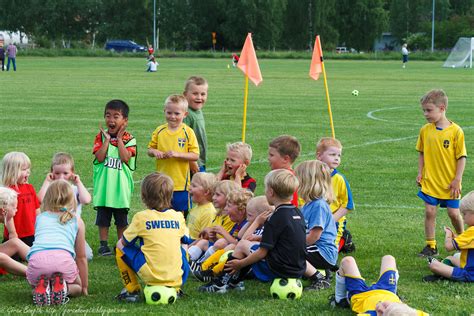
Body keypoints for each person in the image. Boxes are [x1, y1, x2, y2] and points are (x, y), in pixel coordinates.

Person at [199, 169, 306, 293]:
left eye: (265, 189)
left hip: (278, 268)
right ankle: (234, 283)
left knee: (242, 245)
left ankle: (221, 283)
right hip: (298, 268)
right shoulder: (297, 211)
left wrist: (241, 264)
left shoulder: (276, 217)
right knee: (249, 244)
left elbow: (261, 253)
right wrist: (260, 238)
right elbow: (289, 239)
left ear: (271, 192)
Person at [115, 173, 189, 302]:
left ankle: (132, 290)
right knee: (184, 245)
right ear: (170, 196)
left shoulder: (141, 217)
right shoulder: (178, 216)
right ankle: (176, 287)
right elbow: (186, 240)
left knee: (119, 246)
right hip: (179, 276)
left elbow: (125, 242)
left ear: (143, 196)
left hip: (151, 275)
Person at [416, 89, 467, 257]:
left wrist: (457, 179)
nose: (425, 114)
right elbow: (421, 152)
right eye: (424, 110)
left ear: (442, 108)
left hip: (449, 183)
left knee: (454, 214)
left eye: (429, 110)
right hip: (431, 180)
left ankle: (462, 239)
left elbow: (461, 157)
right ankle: (431, 246)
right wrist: (420, 172)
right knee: (430, 212)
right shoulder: (425, 130)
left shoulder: (456, 131)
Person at [26, 180, 88, 306]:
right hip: (62, 261)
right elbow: (81, 257)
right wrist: (84, 288)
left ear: (48, 198)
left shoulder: (40, 218)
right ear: (72, 199)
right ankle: (64, 288)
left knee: (34, 286)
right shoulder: (77, 220)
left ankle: (42, 289)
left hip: (37, 262)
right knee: (77, 286)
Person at [93, 99, 137, 256]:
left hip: (120, 189)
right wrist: (106, 140)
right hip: (105, 187)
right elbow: (99, 158)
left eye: (116, 116)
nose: (111, 120)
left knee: (121, 220)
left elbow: (125, 158)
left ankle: (121, 244)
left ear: (124, 120)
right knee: (103, 218)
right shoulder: (100, 137)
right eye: (108, 115)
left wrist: (118, 140)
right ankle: (103, 244)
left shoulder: (130, 139)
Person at [196, 195, 273, 280]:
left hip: (255, 263)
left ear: (262, 216)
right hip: (249, 258)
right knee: (231, 247)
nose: (247, 218)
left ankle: (215, 272)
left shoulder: (266, 227)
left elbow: (243, 240)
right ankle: (205, 267)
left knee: (234, 246)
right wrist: (251, 221)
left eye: (250, 215)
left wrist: (256, 221)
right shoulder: (255, 225)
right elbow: (240, 235)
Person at [147, 94, 199, 216]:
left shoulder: (188, 132)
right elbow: (150, 150)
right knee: (161, 213)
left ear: (185, 114)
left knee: (179, 215)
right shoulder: (159, 130)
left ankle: (179, 235)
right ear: (164, 111)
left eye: (177, 114)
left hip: (180, 184)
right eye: (169, 113)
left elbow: (195, 155)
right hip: (161, 183)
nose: (172, 117)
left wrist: (177, 154)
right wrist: (155, 152)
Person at [38, 152, 93, 260]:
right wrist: (47, 181)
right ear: (51, 173)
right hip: (53, 231)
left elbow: (86, 200)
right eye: (57, 173)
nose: (61, 177)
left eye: (65, 173)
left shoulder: (75, 190)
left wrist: (78, 182)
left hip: (72, 232)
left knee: (87, 255)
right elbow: (39, 200)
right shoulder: (50, 189)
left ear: (72, 173)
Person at [330, 255, 428, 315]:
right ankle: (395, 292)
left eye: (380, 314)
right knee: (389, 258)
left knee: (347, 261)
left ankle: (340, 299)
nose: (380, 308)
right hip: (387, 291)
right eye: (386, 307)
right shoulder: (409, 312)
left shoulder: (369, 314)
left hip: (361, 295)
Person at [295, 160, 338, 290]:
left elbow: (314, 236)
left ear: (307, 182)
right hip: (315, 249)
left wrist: (293, 245)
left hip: (323, 252)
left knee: (289, 252)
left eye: (297, 179)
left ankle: (319, 279)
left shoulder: (318, 205)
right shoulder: (307, 205)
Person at [423, 190, 474, 282]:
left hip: (470, 274)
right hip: (469, 265)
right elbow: (468, 245)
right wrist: (456, 238)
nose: (463, 218)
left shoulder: (472, 231)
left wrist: (449, 235)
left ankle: (442, 274)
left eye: (465, 214)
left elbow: (448, 247)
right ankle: (444, 270)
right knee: (453, 257)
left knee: (434, 265)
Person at [186, 180, 240, 265]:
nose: (213, 197)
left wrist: (221, 232)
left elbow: (229, 243)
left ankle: (203, 265)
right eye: (214, 194)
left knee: (220, 242)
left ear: (228, 197)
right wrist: (208, 233)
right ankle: (185, 259)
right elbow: (210, 239)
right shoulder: (217, 214)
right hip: (215, 247)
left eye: (217, 195)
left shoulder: (232, 218)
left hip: (226, 252)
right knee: (203, 241)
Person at [317, 137, 355, 253]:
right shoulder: (311, 176)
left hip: (334, 222)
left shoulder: (339, 179)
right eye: (332, 154)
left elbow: (348, 205)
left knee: (328, 252)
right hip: (314, 220)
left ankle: (343, 240)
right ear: (319, 156)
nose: (336, 158)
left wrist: (331, 220)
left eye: (339, 155)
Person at [1, 152, 40, 247]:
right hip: (14, 235)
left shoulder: (30, 188)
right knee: (12, 255)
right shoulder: (8, 192)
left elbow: (37, 209)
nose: (28, 172)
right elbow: (7, 216)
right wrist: (12, 233)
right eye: (24, 169)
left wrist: (40, 226)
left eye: (28, 168)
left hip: (31, 233)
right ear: (12, 171)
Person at [0, 187, 29, 276]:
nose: (16, 210)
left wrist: (12, 232)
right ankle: (37, 274)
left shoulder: (3, 213)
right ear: (3, 211)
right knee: (1, 257)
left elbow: (8, 219)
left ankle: (47, 262)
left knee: (15, 242)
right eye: (15, 208)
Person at [183, 76, 209, 173]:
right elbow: (182, 140)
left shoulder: (198, 110)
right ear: (185, 94)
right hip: (192, 162)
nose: (199, 97)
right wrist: (191, 161)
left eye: (203, 94)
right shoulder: (186, 114)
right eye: (195, 94)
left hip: (200, 160)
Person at [268, 135, 301, 206]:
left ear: (285, 159)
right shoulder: (283, 176)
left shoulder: (287, 180)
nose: (268, 158)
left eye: (271, 155)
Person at [186, 172, 217, 241]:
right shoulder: (196, 207)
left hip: (195, 245)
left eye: (194, 186)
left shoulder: (209, 212)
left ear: (206, 192)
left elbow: (205, 238)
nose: (189, 187)